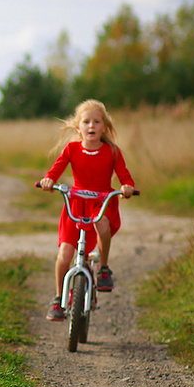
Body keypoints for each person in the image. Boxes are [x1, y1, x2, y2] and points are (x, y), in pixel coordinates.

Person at [36, 99, 136, 321]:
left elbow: (124, 175)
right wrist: (48, 180)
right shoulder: (71, 149)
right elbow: (56, 169)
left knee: (103, 225)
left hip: (101, 202)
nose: (91, 126)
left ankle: (103, 267)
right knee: (65, 254)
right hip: (76, 202)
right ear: (78, 127)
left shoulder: (112, 151)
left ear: (104, 126)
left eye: (97, 122)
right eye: (86, 121)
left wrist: (127, 186)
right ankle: (58, 298)